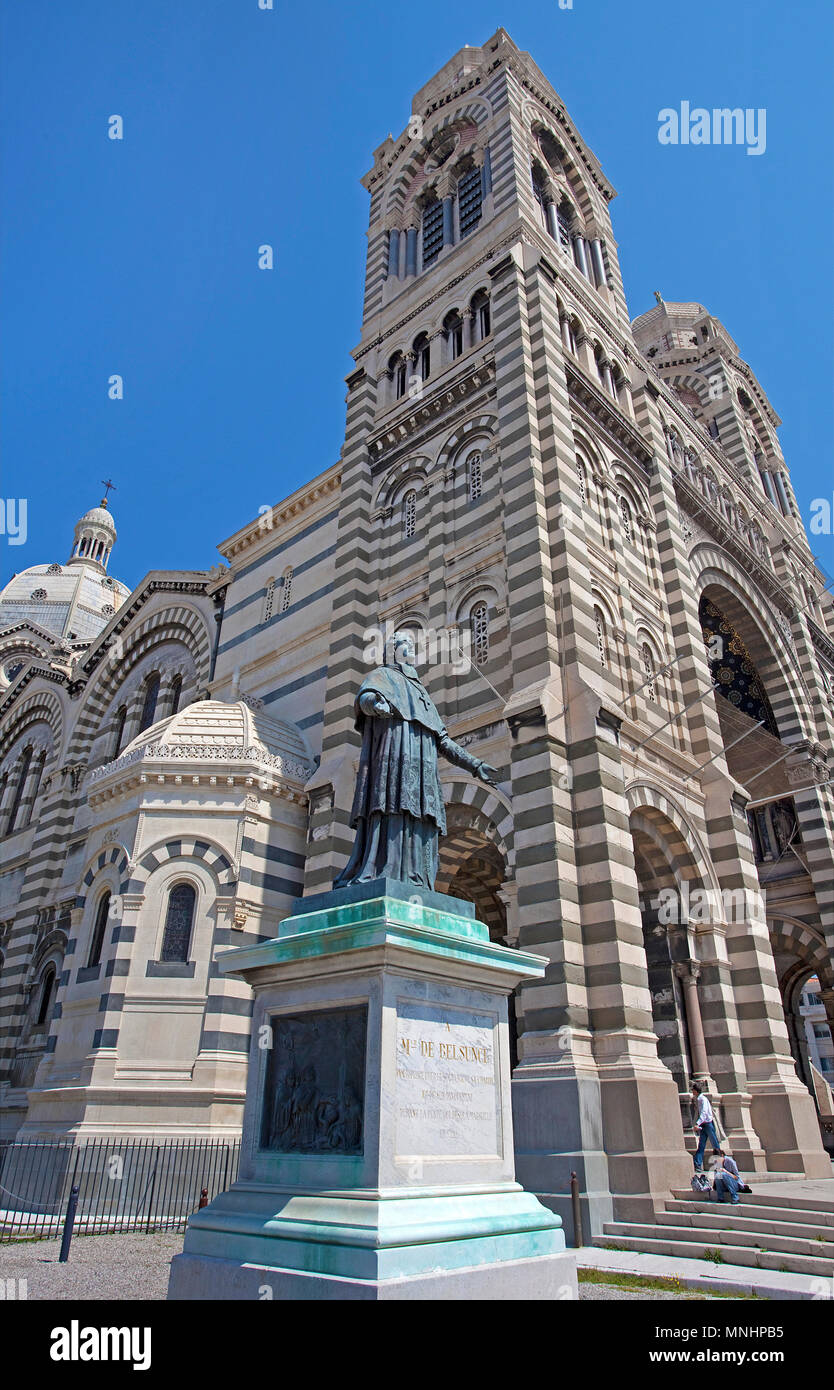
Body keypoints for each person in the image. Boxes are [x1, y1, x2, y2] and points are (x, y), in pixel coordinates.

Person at [691, 1081, 721, 1171]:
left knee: (715, 1145)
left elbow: (704, 1112)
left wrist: (697, 1123)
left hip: (707, 1124)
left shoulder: (702, 1099)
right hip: (705, 1124)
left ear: (696, 1091)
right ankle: (698, 1164)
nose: (692, 1091)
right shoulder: (700, 1099)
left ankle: (719, 1164)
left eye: (693, 1090)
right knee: (702, 1144)